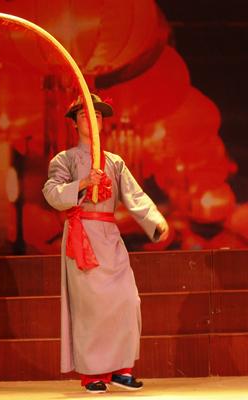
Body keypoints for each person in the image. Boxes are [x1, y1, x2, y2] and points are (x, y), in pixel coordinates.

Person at [42, 94, 170, 394]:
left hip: (110, 236)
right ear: (74, 123)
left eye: (97, 115)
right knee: (90, 307)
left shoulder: (115, 161)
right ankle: (92, 373)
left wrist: (154, 220)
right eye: (84, 115)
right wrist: (83, 183)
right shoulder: (64, 160)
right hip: (82, 235)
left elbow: (134, 195)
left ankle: (121, 369)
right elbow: (52, 192)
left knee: (127, 300)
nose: (92, 119)